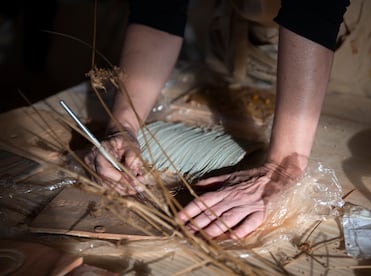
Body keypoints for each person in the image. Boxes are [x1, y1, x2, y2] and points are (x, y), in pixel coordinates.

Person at [85, 0, 350, 239]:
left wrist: (283, 167)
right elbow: (158, 13)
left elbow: (314, 11)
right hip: (248, 34)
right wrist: (123, 126)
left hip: (335, 51)